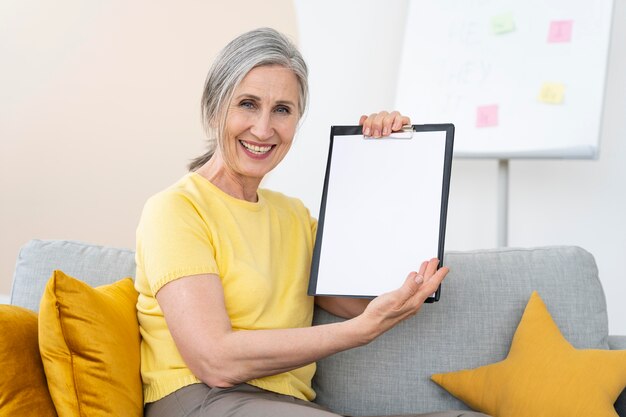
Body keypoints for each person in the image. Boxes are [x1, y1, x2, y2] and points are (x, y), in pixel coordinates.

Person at [135, 27, 489, 417]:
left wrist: (388, 157)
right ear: (214, 107)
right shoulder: (175, 210)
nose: (264, 128)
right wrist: (358, 333)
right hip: (201, 400)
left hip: (286, 406)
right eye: (248, 104)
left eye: (282, 110)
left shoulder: (294, 218)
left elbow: (373, 298)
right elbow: (215, 361)